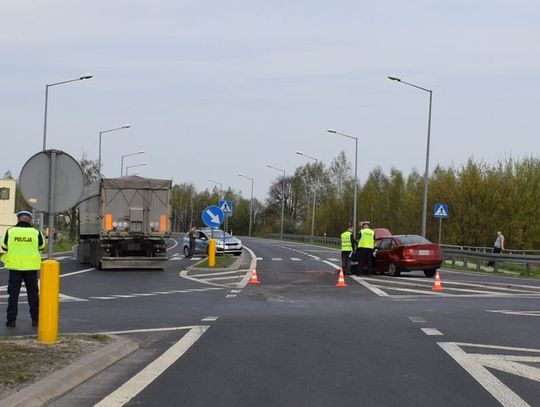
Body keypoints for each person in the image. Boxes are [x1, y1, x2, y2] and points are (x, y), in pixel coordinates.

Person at [1, 211, 45, 327]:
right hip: (31, 268)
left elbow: (4, 246)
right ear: (30, 220)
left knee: (13, 295)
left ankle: (11, 321)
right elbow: (42, 246)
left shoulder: (11, 231)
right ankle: (35, 320)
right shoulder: (36, 232)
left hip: (15, 268)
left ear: (18, 219)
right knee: (33, 294)